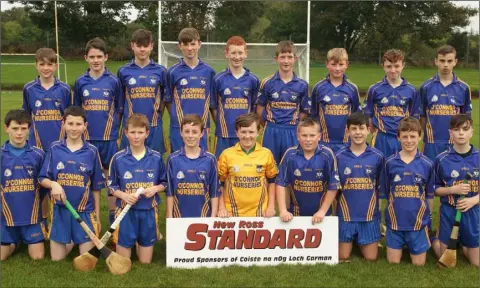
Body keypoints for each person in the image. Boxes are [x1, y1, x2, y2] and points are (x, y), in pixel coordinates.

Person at [39, 106, 104, 261]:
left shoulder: (92, 151)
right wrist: (54, 184)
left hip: (84, 212)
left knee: (86, 259)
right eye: (70, 124)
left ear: (85, 126)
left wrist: (97, 217)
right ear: (63, 124)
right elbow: (42, 178)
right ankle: (72, 238)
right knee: (57, 259)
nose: (74, 128)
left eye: (78, 124)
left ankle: (75, 238)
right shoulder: (55, 148)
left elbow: (96, 188)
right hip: (61, 210)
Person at [73, 37, 123, 228]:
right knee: (85, 181)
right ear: (86, 58)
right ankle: (88, 221)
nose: (95, 60)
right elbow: (77, 112)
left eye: (99, 56)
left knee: (111, 182)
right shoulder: (80, 82)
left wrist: (114, 133)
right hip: (85, 140)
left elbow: (119, 109)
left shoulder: (113, 82)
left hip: (108, 140)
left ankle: (113, 224)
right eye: (92, 56)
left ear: (106, 58)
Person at [22, 47, 72, 231]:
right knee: (39, 184)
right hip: (37, 145)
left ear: (56, 66)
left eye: (50, 64)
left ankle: (58, 220)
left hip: (59, 146)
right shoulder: (29, 89)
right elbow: (26, 116)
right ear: (36, 65)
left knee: (61, 181)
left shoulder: (65, 89)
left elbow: (69, 117)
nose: (46, 68)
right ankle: (42, 220)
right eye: (42, 64)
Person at [108, 113, 167, 264]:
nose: (136, 137)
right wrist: (123, 196)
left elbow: (165, 182)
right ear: (126, 133)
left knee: (145, 262)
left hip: (148, 211)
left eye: (140, 133)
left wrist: (154, 189)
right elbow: (111, 185)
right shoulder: (118, 158)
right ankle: (128, 242)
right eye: (132, 132)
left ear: (147, 133)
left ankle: (141, 242)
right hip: (126, 212)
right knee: (123, 261)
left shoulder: (156, 157)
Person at [380, 117, 434, 266]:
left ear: (420, 136)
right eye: (404, 137)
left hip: (418, 224)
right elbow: (384, 193)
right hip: (395, 223)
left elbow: (429, 196)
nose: (408, 140)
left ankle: (415, 242)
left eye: (412, 136)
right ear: (398, 137)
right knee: (393, 262)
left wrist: (428, 222)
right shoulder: (390, 163)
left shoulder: (427, 164)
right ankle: (398, 242)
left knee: (419, 264)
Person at [334, 112, 384, 261]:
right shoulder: (338, 156)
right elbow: (334, 189)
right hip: (346, 214)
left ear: (368, 130)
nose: (357, 132)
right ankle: (351, 238)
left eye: (361, 128)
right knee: (342, 256)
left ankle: (362, 238)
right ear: (347, 131)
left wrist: (378, 214)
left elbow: (380, 188)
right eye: (353, 129)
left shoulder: (378, 156)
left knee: (371, 257)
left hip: (368, 215)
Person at [432, 114, 478, 267]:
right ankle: (434, 239)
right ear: (450, 132)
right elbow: (435, 190)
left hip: (472, 211)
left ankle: (464, 243)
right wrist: (453, 189)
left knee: (476, 262)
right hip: (449, 211)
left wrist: (474, 200)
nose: (461, 133)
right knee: (445, 259)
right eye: (456, 130)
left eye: (465, 129)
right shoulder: (441, 159)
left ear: (471, 132)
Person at [276, 117, 341, 224]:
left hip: (322, 215)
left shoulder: (327, 154)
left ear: (319, 136)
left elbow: (333, 186)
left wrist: (322, 211)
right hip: (295, 215)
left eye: (312, 135)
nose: (308, 139)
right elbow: (280, 183)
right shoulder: (290, 154)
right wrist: (283, 210)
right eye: (304, 135)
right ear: (298, 136)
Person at [1, 110, 46, 260]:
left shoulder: (38, 155)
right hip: (5, 218)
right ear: (6, 128)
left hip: (31, 218)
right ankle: (14, 242)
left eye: (23, 128)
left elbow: (44, 186)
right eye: (15, 128)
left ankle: (23, 238)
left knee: (38, 257)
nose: (19, 133)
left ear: (29, 129)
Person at [256, 40, 310, 164]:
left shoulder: (302, 85)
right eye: (282, 57)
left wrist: (295, 125)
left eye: (289, 57)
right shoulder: (267, 83)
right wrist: (269, 125)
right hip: (271, 130)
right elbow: (259, 110)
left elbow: (304, 112)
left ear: (295, 58)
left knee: (292, 167)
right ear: (276, 58)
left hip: (292, 131)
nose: (286, 61)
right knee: (269, 167)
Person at [165, 27, 216, 153]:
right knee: (177, 163)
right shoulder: (172, 71)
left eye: (193, 44)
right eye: (185, 44)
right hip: (178, 128)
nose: (189, 48)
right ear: (179, 46)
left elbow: (212, 103)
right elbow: (168, 100)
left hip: (202, 128)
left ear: (199, 44)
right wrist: (178, 119)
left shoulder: (209, 72)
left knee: (203, 163)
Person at [117, 29, 167, 155]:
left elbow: (165, 98)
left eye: (146, 46)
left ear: (151, 46)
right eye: (139, 46)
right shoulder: (123, 71)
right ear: (132, 46)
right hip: (131, 127)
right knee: (128, 162)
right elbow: (120, 100)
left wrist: (157, 113)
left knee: (154, 163)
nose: (142, 49)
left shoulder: (161, 71)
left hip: (154, 126)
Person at [217, 113, 278, 217]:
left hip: (260, 214)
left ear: (258, 132)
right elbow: (219, 184)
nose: (247, 136)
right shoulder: (226, 154)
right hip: (231, 214)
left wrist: (271, 206)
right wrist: (221, 208)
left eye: (251, 132)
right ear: (237, 133)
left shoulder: (266, 154)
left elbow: (272, 181)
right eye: (243, 132)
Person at [363, 49, 421, 157]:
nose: (393, 70)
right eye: (389, 66)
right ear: (383, 66)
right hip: (381, 138)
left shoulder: (411, 90)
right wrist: (376, 131)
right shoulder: (374, 89)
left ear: (403, 65)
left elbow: (414, 117)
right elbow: (368, 115)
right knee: (379, 170)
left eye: (396, 66)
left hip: (404, 138)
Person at [420, 45, 472, 162]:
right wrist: (427, 135)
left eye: (449, 61)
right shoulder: (426, 87)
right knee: (430, 177)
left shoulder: (463, 88)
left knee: (453, 178)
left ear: (455, 62)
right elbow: (421, 116)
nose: (445, 65)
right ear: (436, 61)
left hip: (454, 143)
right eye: (442, 61)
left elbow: (466, 119)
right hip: (431, 144)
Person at [212, 36, 260, 158]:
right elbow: (214, 108)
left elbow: (254, 107)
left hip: (246, 135)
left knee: (245, 169)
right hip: (224, 134)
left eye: (240, 53)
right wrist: (222, 125)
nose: (237, 57)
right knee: (222, 170)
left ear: (246, 54)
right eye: (233, 53)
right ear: (226, 54)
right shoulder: (218, 79)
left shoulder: (253, 80)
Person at [166, 114, 220, 218]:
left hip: (204, 217)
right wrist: (169, 216)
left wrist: (213, 217)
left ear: (201, 134)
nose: (190, 136)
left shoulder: (210, 159)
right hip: (179, 218)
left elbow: (214, 192)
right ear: (181, 133)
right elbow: (170, 193)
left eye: (195, 132)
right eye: (187, 131)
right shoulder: (172, 159)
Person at [310, 48, 361, 154]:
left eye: (341, 64)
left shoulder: (352, 88)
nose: (337, 68)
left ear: (346, 64)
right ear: (327, 64)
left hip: (347, 143)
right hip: (323, 143)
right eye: (333, 64)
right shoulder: (318, 88)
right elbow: (313, 115)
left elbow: (357, 116)